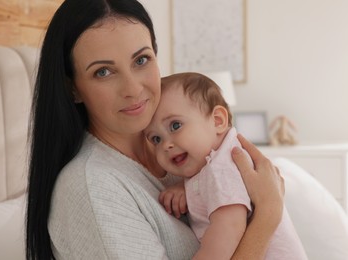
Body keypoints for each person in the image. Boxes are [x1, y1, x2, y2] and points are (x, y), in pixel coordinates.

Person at [26, 0, 285, 259]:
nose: (133, 89)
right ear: (73, 89)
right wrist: (268, 214)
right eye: (103, 72)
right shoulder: (93, 191)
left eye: (141, 60)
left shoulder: (184, 147)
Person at [144, 72, 308, 259]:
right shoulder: (213, 165)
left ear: (218, 121)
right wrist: (186, 188)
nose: (166, 145)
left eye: (175, 126)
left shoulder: (223, 167)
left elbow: (229, 225)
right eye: (156, 139)